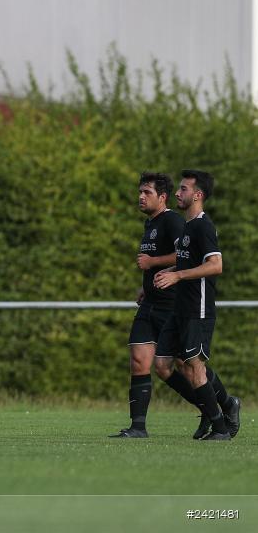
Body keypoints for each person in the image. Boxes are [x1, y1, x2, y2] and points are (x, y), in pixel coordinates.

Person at [154, 170, 241, 441]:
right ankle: (223, 405)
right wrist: (164, 275)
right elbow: (185, 262)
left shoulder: (203, 226)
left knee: (195, 367)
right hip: (179, 308)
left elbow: (216, 265)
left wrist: (178, 275)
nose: (178, 194)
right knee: (163, 365)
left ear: (198, 195)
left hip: (197, 309)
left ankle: (220, 426)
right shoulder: (187, 226)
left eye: (183, 189)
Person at [110, 172, 183, 438]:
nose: (141, 197)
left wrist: (152, 264)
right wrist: (147, 285)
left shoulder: (173, 221)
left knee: (182, 366)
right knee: (139, 360)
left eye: (147, 192)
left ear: (162, 197)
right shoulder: (150, 224)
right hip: (150, 303)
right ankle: (138, 427)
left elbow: (186, 256)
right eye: (140, 192)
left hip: (171, 305)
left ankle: (218, 407)